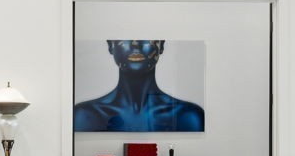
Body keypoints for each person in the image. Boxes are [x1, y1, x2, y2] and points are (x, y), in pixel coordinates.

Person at [73, 39, 205, 132]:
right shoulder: (85, 115)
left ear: (161, 45)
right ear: (110, 45)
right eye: (125, 36)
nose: (135, 44)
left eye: (147, 36)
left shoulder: (188, 116)